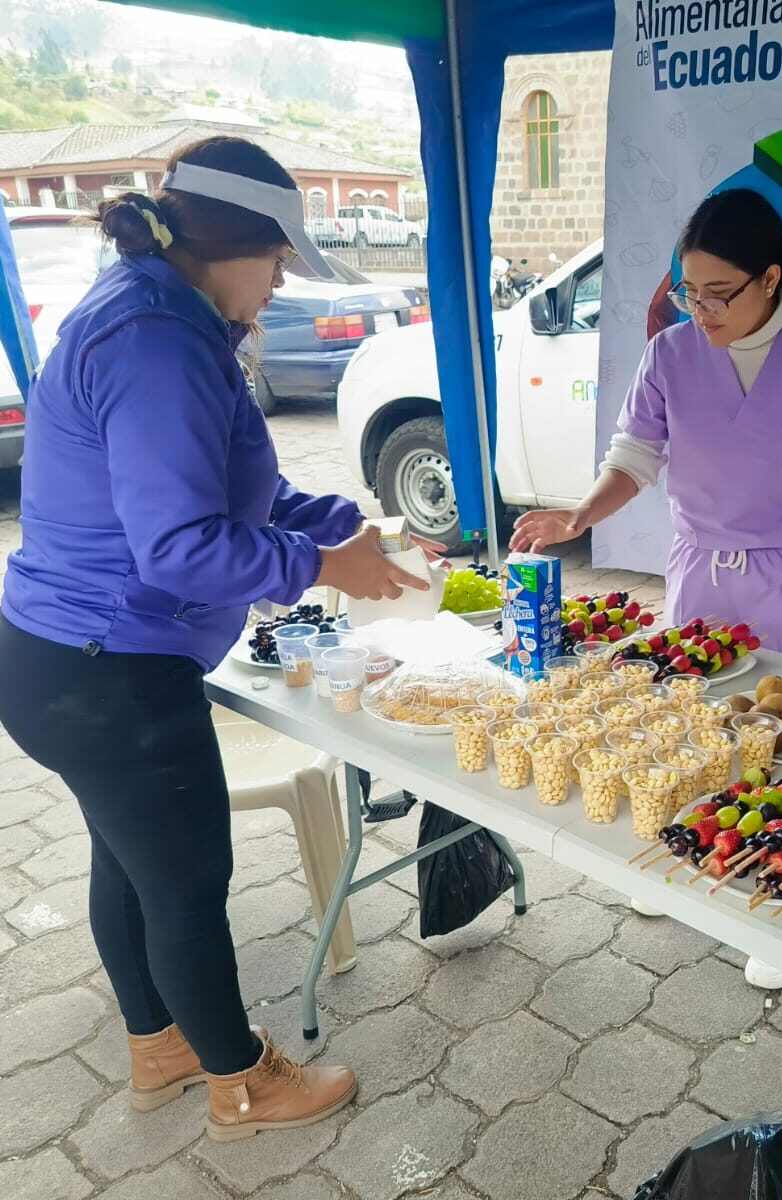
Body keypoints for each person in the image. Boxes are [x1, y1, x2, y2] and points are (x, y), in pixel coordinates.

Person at [0, 136, 443, 1142]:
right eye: (277, 258)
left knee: (133, 866)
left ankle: (160, 1046)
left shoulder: (159, 314)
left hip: (59, 659)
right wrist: (328, 568)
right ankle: (244, 1085)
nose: (282, 279)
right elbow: (180, 547)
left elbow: (234, 490)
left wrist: (342, 523)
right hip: (110, 670)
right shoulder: (159, 340)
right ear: (229, 242)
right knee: (190, 884)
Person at [512, 188, 782, 989]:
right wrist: (580, 515)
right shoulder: (673, 353)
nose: (699, 309)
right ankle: (686, 851)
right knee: (699, 725)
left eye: (719, 292)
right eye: (688, 290)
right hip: (703, 570)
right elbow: (636, 457)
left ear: (771, 279)